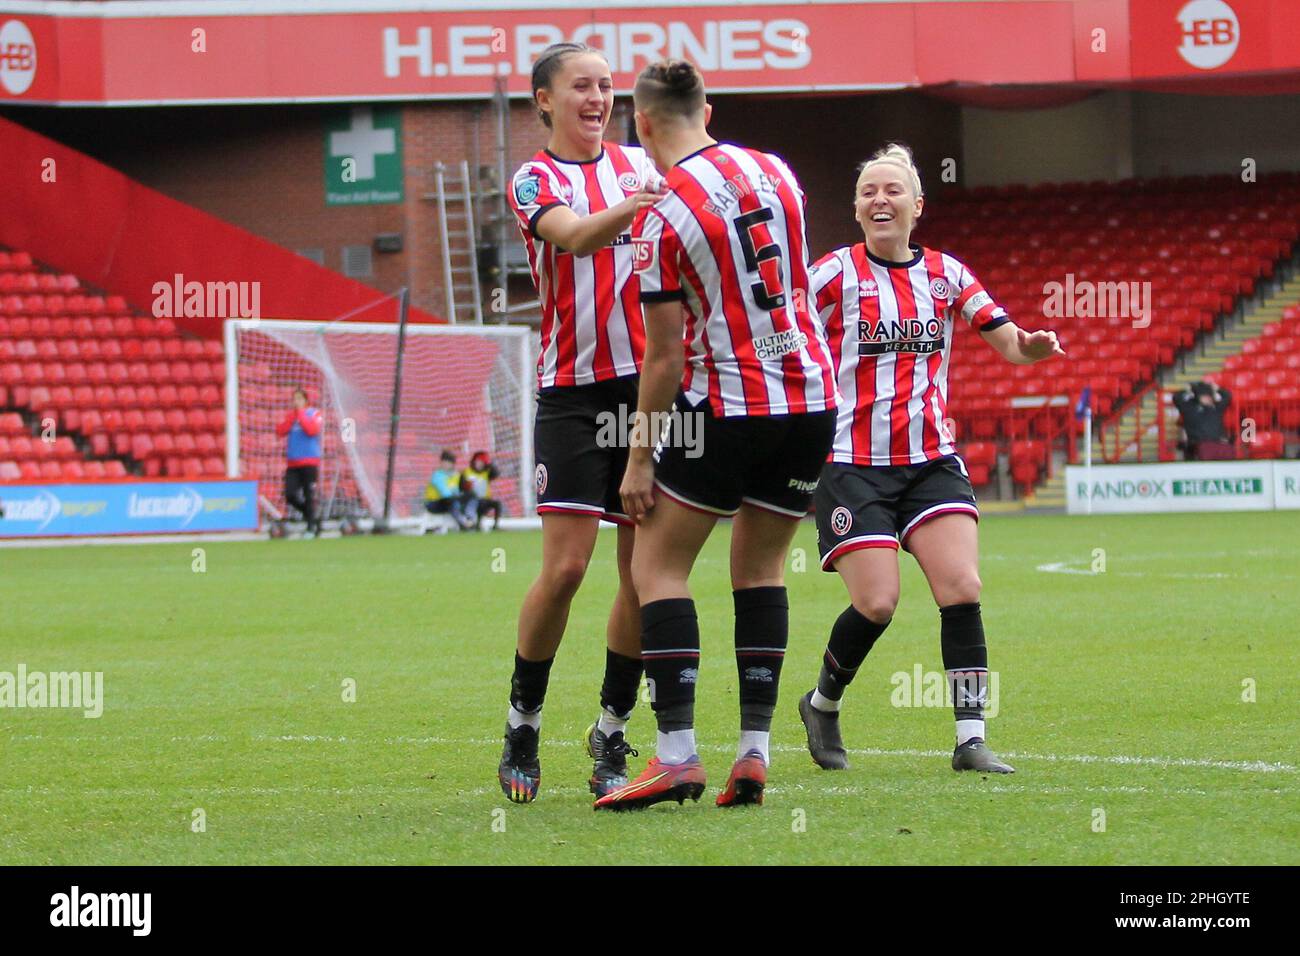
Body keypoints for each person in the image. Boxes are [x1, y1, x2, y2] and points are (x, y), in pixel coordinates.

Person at [593, 60, 839, 812]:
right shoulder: (777, 171)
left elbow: (665, 356)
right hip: (810, 398)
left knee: (658, 569)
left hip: (726, 404)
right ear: (708, 106)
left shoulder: (659, 216)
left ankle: (675, 756)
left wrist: (638, 457)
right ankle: (755, 755)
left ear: (639, 123)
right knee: (760, 571)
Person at [794, 143, 1065, 776]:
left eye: (892, 191)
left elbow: (1010, 345)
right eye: (868, 192)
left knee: (962, 587)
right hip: (852, 464)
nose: (879, 200)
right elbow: (782, 331)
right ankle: (822, 703)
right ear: (857, 208)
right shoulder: (832, 273)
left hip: (929, 461)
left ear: (918, 205)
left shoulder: (946, 273)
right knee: (878, 603)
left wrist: (1031, 345)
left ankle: (971, 739)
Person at [496, 41, 666, 804]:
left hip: (649, 393)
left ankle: (611, 727)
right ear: (544, 101)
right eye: (580, 87)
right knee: (566, 569)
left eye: (606, 86)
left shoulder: (643, 165)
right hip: (571, 394)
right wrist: (637, 208)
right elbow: (572, 235)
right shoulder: (535, 178)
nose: (598, 97)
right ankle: (523, 718)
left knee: (639, 574)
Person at [275, 386, 323, 538]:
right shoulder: (291, 416)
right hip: (293, 464)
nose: (296, 402)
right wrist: (291, 418)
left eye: (299, 399)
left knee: (309, 495)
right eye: (294, 399)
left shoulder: (314, 414)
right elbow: (280, 431)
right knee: (290, 495)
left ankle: (310, 528)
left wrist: (301, 414)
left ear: (306, 401)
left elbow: (312, 430)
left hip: (309, 462)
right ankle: (313, 518)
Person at [1173, 380, 1234, 460]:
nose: (1208, 398)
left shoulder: (1216, 407)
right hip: (1199, 444)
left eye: (1209, 396)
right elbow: (1176, 398)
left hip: (1219, 443)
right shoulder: (1189, 408)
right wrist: (1187, 389)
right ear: (1198, 396)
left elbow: (1228, 396)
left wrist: (1218, 389)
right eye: (1204, 396)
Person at [424, 450, 471, 532]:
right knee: (451, 501)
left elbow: (457, 491)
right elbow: (445, 493)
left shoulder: (456, 475)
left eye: (448, 462)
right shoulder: (437, 475)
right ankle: (463, 522)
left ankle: (470, 520)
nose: (445, 464)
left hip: (449, 503)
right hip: (433, 503)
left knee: (470, 496)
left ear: (452, 464)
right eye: (444, 462)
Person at [460, 451, 502, 531]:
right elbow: (461, 487)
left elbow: (496, 473)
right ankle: (475, 524)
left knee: (497, 503)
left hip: (484, 500)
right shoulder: (466, 472)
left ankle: (495, 526)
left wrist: (490, 464)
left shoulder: (486, 473)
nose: (480, 464)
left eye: (482, 462)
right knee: (477, 502)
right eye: (478, 462)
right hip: (471, 500)